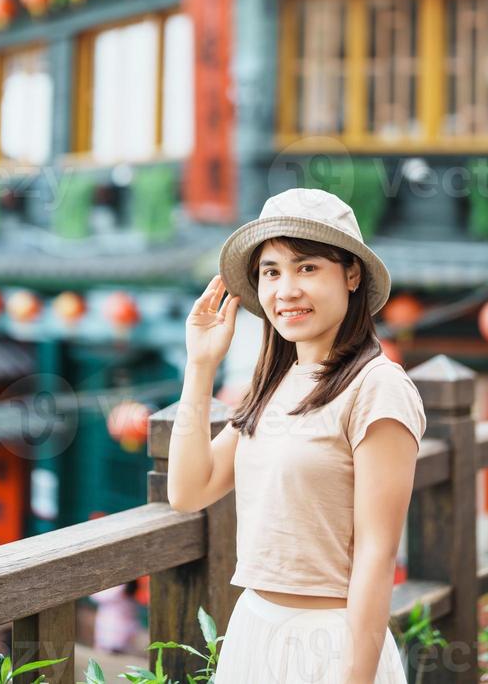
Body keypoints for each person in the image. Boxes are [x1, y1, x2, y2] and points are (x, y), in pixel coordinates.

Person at [167, 188, 427, 683]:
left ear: (352, 274)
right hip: (254, 629)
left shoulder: (378, 387)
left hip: (331, 643)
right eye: (272, 271)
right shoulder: (274, 383)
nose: (286, 289)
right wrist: (199, 366)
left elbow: (376, 555)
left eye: (307, 268)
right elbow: (187, 490)